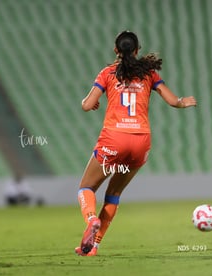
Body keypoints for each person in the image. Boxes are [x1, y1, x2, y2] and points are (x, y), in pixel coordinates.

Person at [75, 31, 197, 256]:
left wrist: (89, 102)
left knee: (87, 187)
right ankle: (94, 246)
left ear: (116, 51)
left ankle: (91, 219)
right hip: (141, 142)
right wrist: (183, 102)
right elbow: (172, 100)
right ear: (138, 50)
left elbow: (86, 105)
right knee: (113, 195)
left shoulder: (107, 73)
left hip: (114, 138)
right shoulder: (149, 74)